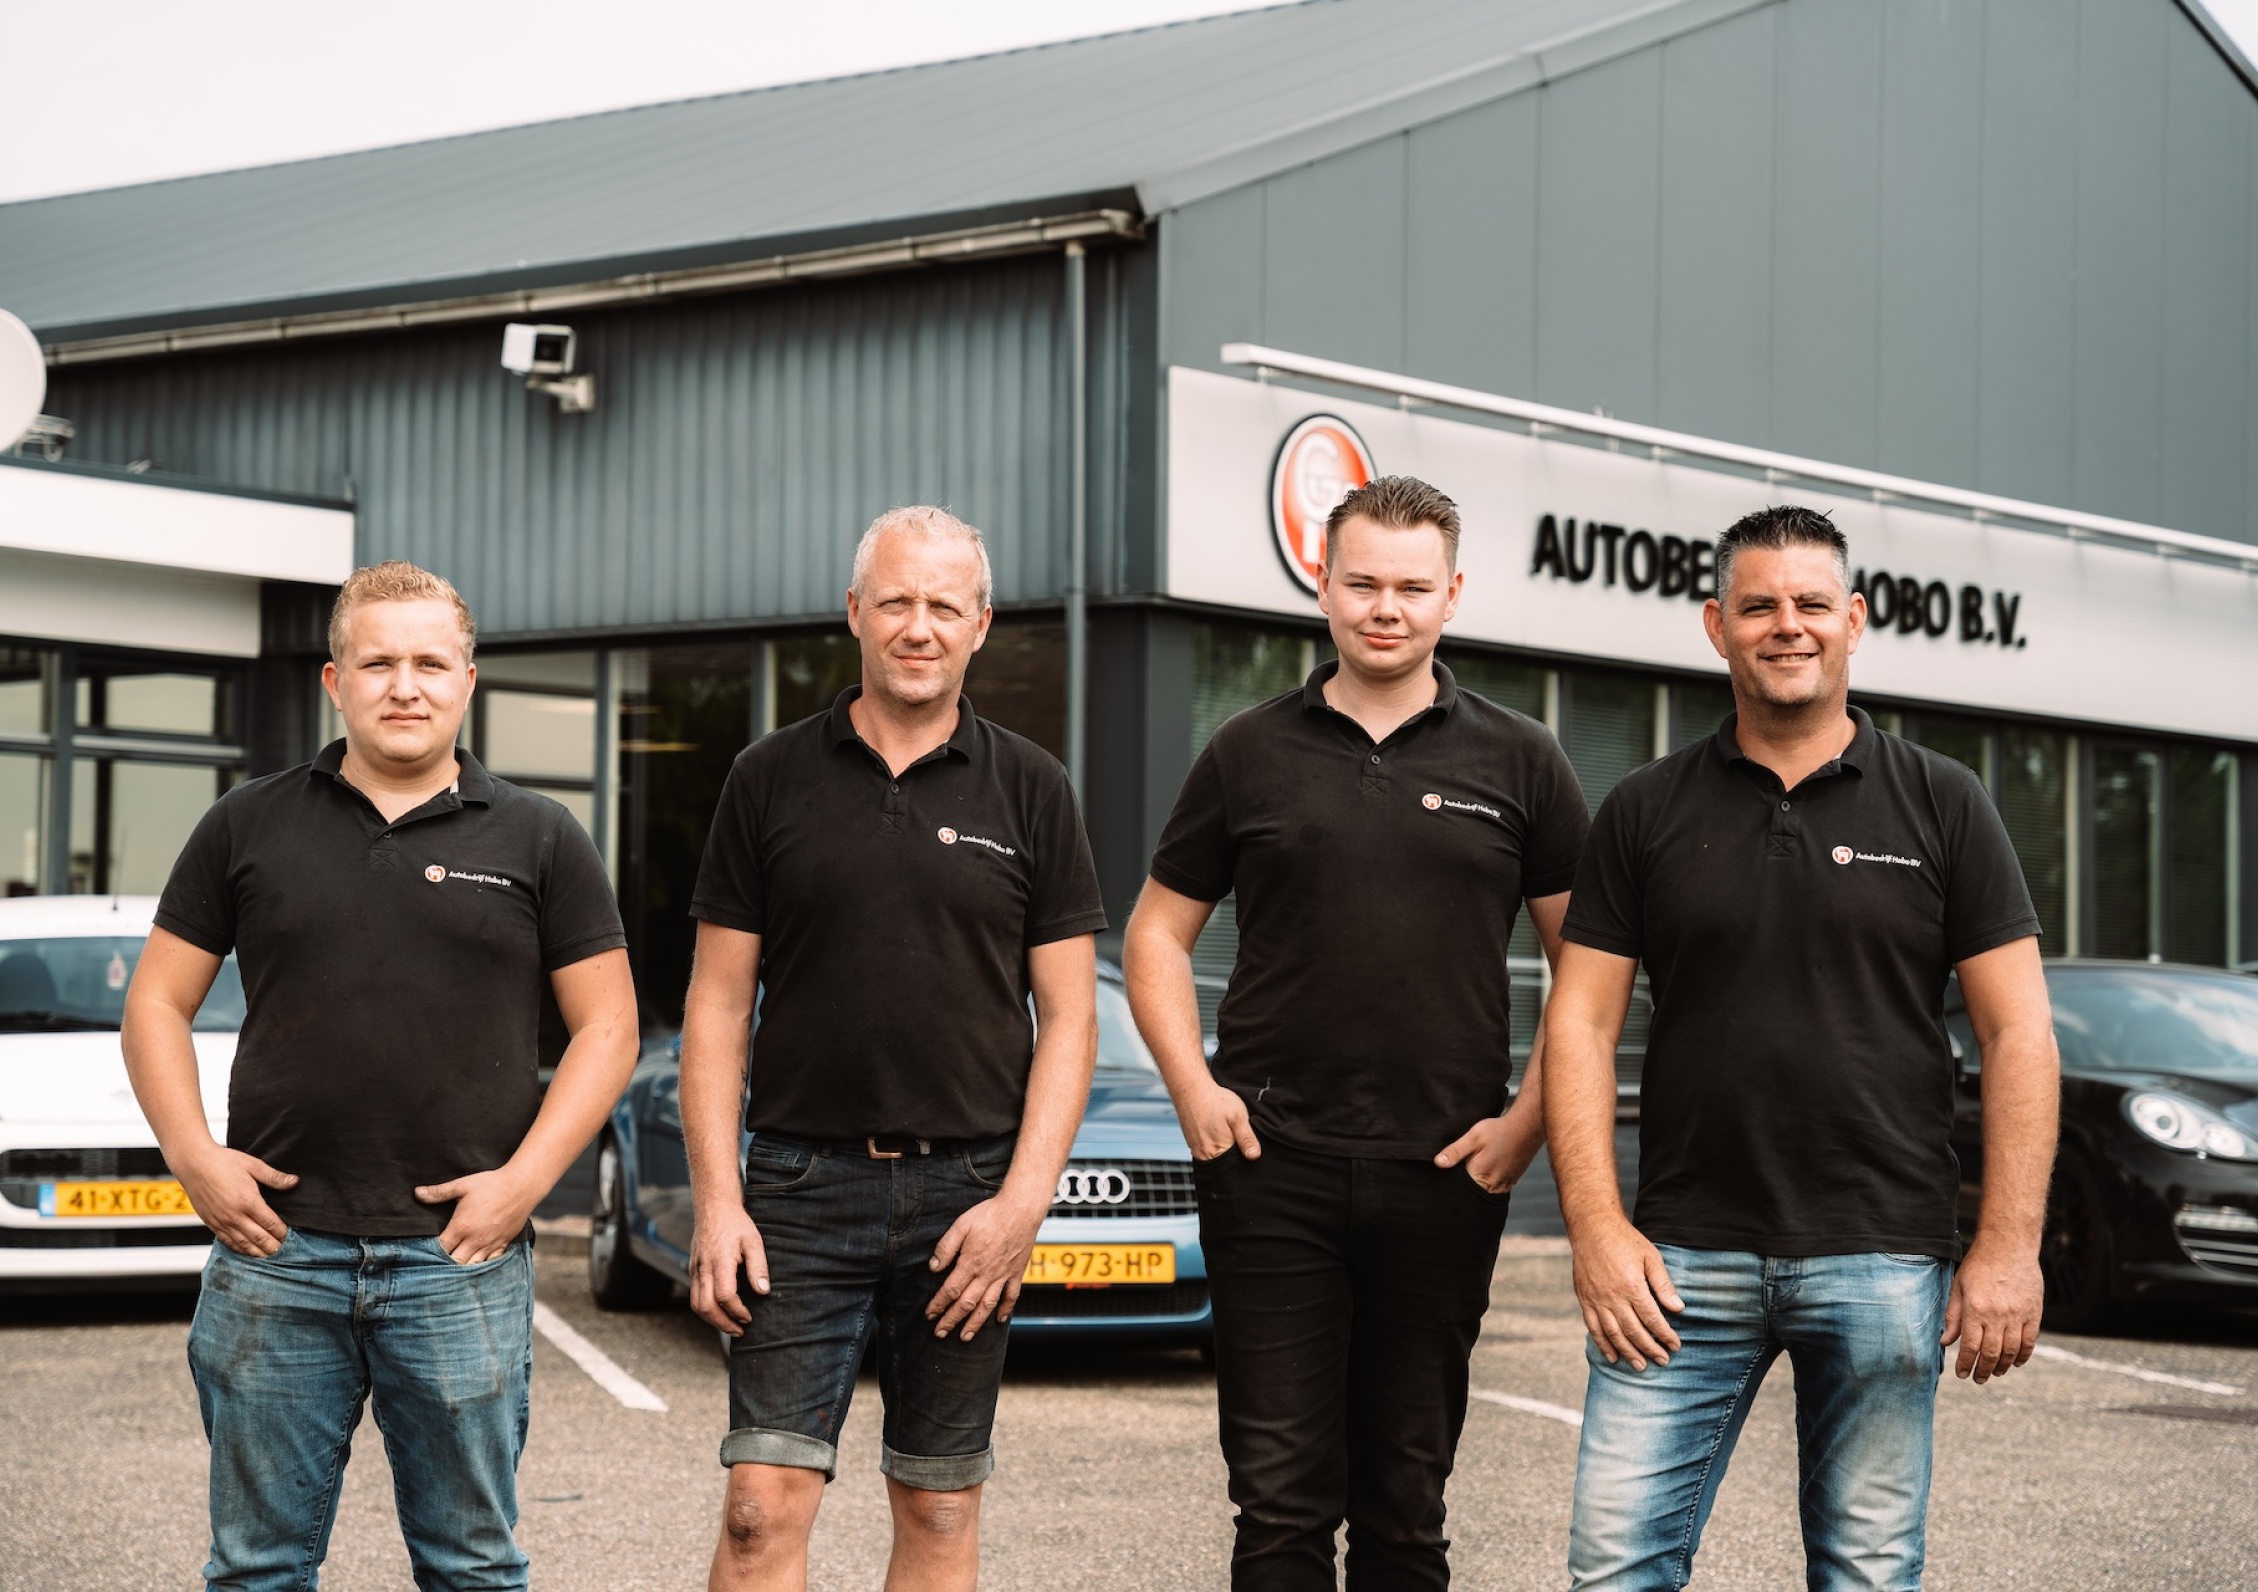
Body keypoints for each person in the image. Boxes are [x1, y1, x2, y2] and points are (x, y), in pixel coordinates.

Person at [1542, 506, 2060, 1592]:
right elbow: (1579, 1023)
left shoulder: (1944, 802)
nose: (1788, 625)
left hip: (1881, 1252)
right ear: (1715, 625)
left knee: (1867, 1572)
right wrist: (1595, 1228)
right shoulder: (1643, 808)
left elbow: (2018, 1032)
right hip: (1677, 1261)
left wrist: (2007, 1246)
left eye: (1812, 603)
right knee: (1614, 1565)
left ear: (1854, 619)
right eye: (1759, 605)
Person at [123, 559, 639, 1592]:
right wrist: (193, 1158)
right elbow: (154, 1004)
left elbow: (609, 1026)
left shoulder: (540, 835)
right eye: (378, 663)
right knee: (257, 1568)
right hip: (277, 1251)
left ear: (467, 680)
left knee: (472, 1567)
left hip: (459, 1260)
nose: (406, 686)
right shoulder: (247, 822)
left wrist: (524, 1184)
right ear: (334, 681)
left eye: (431, 664)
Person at [1124, 475, 1593, 1591]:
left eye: (1413, 587)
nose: (1387, 607)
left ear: (1452, 595)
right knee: (1278, 1509)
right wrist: (1193, 1087)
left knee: (1405, 1508)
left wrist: (1526, 1123)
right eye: (1364, 582)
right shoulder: (1246, 750)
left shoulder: (1522, 757)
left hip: (1445, 1172)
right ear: (1322, 585)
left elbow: (1592, 966)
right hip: (1269, 1168)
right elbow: (1153, 934)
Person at [682, 505, 1107, 1592]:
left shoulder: (1033, 787)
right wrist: (720, 1202)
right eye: (898, 602)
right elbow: (718, 1007)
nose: (920, 627)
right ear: (855, 612)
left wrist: (1020, 1207)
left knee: (938, 1502)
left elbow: (1070, 1017)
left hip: (968, 1197)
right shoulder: (767, 777)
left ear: (981, 624)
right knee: (757, 1508)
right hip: (797, 1189)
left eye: (945, 606)